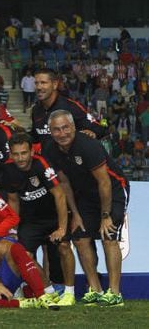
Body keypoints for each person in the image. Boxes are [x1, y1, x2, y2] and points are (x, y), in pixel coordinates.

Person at [43, 110, 129, 307]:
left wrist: (105, 215)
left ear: (74, 127)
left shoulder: (89, 145)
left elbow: (104, 183)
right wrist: (76, 214)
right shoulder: (50, 149)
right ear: (50, 131)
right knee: (80, 238)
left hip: (114, 189)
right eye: (56, 129)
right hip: (85, 195)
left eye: (65, 127)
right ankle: (96, 291)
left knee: (109, 237)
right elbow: (64, 183)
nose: (62, 133)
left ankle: (115, 294)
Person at [1, 132, 76, 306]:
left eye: (24, 153)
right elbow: (13, 200)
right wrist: (14, 229)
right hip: (31, 221)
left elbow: (59, 195)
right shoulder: (8, 170)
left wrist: (62, 228)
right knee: (23, 255)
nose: (20, 158)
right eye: (16, 154)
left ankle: (69, 293)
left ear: (32, 152)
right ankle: (48, 289)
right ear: (11, 154)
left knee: (64, 246)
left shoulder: (42, 164)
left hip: (53, 217)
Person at [30, 68, 106, 148]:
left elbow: (100, 128)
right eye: (36, 83)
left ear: (55, 84)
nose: (38, 87)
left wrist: (91, 133)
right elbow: (35, 138)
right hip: (47, 159)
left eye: (43, 83)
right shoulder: (36, 110)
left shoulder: (72, 107)